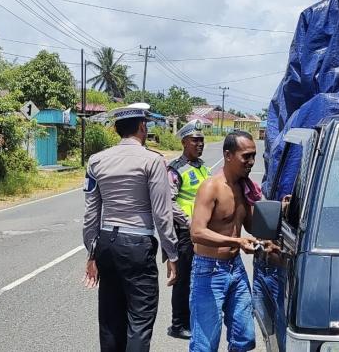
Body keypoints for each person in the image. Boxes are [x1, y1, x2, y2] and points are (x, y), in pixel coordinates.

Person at [82, 102, 179, 352]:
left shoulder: (96, 160)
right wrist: (171, 254)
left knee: (110, 321)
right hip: (137, 244)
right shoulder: (153, 161)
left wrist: (92, 253)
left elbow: (91, 213)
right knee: (139, 320)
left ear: (117, 129)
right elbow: (162, 213)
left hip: (107, 243)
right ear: (142, 126)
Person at [189, 130, 261, 352]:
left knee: (244, 336)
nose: (251, 162)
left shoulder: (244, 187)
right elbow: (197, 232)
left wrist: (281, 209)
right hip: (208, 270)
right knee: (205, 344)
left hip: (235, 268)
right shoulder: (211, 187)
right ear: (228, 155)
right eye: (246, 156)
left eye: (253, 156)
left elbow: (251, 226)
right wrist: (237, 242)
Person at [165, 119, 211, 340]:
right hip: (185, 232)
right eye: (195, 140)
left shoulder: (203, 167)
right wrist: (189, 221)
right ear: (184, 142)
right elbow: (169, 201)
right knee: (183, 281)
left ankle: (194, 320)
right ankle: (178, 324)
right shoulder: (175, 169)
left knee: (200, 278)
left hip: (203, 232)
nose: (199, 144)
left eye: (201, 140)